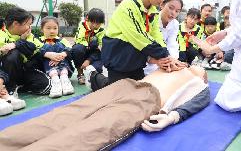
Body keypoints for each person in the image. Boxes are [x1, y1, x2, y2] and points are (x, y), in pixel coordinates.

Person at [0, 66, 210, 150]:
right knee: (67, 114)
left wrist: (171, 117)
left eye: (200, 68)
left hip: (148, 99)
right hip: (127, 85)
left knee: (93, 128)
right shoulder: (174, 64)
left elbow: (196, 103)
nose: (195, 66)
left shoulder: (199, 84)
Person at [89, 0, 182, 92]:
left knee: (138, 91)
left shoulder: (153, 12)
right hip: (118, 54)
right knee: (117, 93)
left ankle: (102, 79)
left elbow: (156, 35)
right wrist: (164, 55)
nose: (162, 0)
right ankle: (93, 77)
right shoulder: (129, 5)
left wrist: (167, 56)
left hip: (135, 59)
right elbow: (139, 37)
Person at [0, 7, 50, 116]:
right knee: (13, 54)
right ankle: (9, 91)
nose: (30, 28)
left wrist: (18, 43)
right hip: (5, 75)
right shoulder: (1, 35)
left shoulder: (28, 35)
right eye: (28, 24)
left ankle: (19, 86)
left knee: (46, 86)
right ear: (16, 24)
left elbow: (36, 48)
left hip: (24, 71)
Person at [143, 0, 186, 75]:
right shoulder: (151, 20)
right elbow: (145, 47)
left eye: (177, 11)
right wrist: (157, 61)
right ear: (162, 5)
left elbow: (172, 44)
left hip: (166, 58)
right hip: (149, 61)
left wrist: (171, 61)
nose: (173, 13)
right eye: (171, 8)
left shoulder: (175, 24)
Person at [39, 17, 74, 98]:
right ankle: (55, 82)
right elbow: (37, 52)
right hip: (48, 69)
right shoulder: (39, 41)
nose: (52, 31)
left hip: (63, 66)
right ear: (42, 29)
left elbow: (70, 50)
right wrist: (50, 55)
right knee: (46, 47)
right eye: (48, 28)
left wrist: (62, 55)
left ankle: (64, 80)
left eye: (55, 28)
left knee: (60, 46)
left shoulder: (62, 40)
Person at [72, 8, 105, 84]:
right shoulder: (82, 25)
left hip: (93, 52)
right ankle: (80, 73)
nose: (95, 25)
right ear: (87, 19)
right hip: (82, 50)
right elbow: (79, 40)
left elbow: (102, 45)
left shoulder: (101, 30)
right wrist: (89, 46)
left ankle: (92, 73)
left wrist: (89, 60)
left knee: (99, 66)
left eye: (98, 23)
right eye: (93, 22)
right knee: (77, 49)